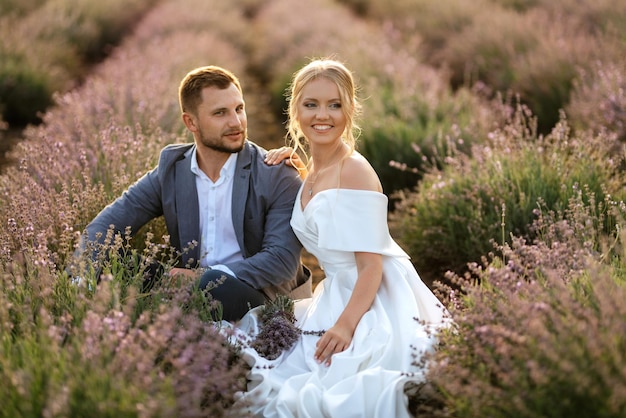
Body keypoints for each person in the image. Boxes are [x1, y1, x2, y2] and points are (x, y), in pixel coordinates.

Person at [231, 59, 450, 417]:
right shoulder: (312, 169)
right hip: (336, 291)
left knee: (339, 386)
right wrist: (295, 169)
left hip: (373, 296)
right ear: (295, 111)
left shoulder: (356, 170)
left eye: (335, 105)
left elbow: (370, 267)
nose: (324, 115)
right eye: (311, 104)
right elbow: (325, 209)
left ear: (349, 110)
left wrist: (346, 326)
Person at [74, 65, 311, 321]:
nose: (236, 122)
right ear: (191, 122)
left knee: (211, 284)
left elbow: (280, 262)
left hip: (259, 296)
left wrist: (200, 277)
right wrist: (80, 279)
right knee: (111, 261)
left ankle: (162, 314)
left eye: (239, 109)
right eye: (220, 113)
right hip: (188, 289)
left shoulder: (276, 173)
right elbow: (103, 227)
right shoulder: (173, 169)